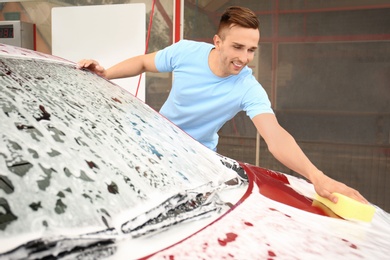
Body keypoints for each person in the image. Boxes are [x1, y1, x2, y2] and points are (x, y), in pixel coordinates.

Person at [77, 6, 367, 205]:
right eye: (238, 47)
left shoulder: (247, 88)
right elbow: (143, 62)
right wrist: (106, 73)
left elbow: (275, 135)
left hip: (196, 160)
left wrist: (317, 176)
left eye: (252, 49)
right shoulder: (186, 51)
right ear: (218, 42)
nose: (245, 57)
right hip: (153, 138)